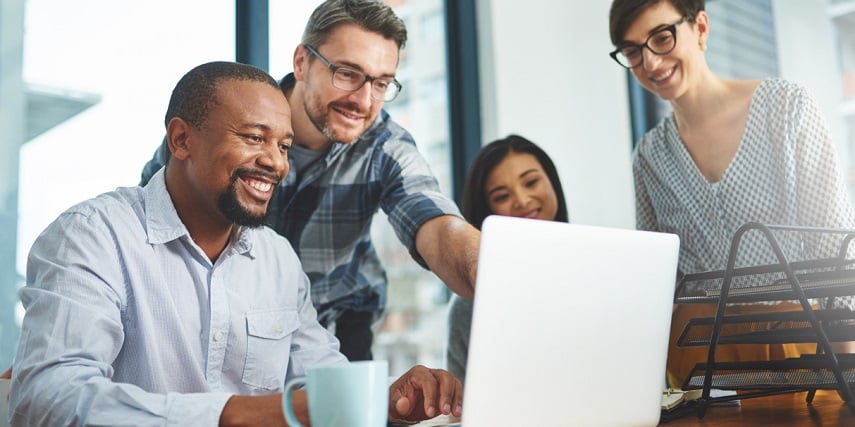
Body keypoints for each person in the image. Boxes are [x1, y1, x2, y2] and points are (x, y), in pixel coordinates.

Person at [9, 61, 463, 426]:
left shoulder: (277, 258)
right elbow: (47, 399)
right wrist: (238, 415)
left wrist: (389, 401)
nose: (276, 163)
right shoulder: (91, 236)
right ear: (182, 139)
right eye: (254, 137)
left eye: (283, 146)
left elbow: (319, 383)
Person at [140, 0, 480, 362]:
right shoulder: (229, 119)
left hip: (336, 327)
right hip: (225, 319)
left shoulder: (385, 147)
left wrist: (484, 268)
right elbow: (155, 219)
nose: (363, 101)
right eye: (347, 74)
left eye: (381, 83)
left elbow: (436, 224)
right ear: (302, 62)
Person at [608, 0, 855, 388]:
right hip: (696, 358)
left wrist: (848, 368)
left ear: (700, 28)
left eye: (661, 37)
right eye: (633, 52)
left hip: (797, 342)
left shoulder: (786, 108)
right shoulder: (649, 156)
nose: (651, 62)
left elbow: (835, 250)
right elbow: (658, 280)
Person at [446, 135, 569, 384]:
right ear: (486, 210)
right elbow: (464, 400)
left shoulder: (596, 271)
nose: (522, 201)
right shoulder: (471, 302)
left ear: (552, 182)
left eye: (531, 182)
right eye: (502, 196)